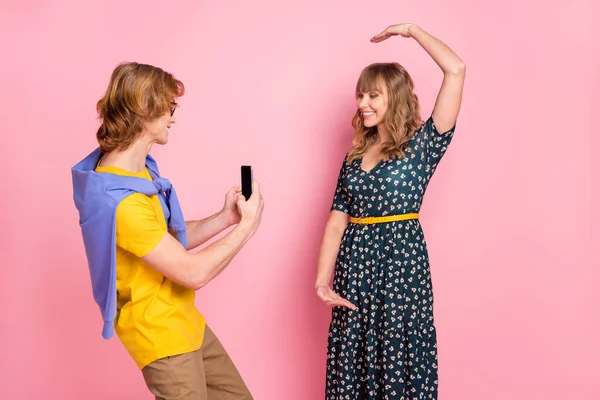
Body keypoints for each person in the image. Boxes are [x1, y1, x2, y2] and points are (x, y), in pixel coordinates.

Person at [71, 62, 263, 400]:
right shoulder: (121, 202)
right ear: (146, 110)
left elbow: (164, 240)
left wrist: (225, 219)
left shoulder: (134, 173)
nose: (173, 117)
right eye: (169, 108)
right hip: (162, 336)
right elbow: (193, 272)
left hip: (186, 322)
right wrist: (247, 228)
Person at [315, 23, 465, 399]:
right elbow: (337, 220)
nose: (363, 103)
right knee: (354, 359)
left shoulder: (424, 144)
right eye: (360, 95)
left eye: (373, 96)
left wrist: (413, 31)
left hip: (401, 266)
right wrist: (322, 280)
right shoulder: (353, 155)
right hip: (355, 269)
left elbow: (456, 69)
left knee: (400, 355)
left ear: (394, 98)